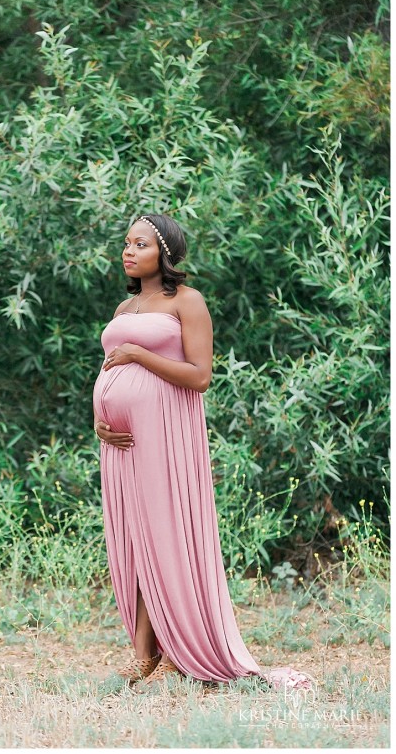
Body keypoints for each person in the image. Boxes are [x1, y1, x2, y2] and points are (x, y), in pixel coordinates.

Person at [92, 214, 313, 691]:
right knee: (132, 542)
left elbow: (199, 376)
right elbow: (109, 367)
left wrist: (136, 355)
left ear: (165, 253)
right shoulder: (124, 306)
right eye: (127, 243)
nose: (129, 251)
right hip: (121, 444)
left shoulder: (187, 301)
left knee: (164, 537)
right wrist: (101, 420)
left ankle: (178, 651)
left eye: (141, 244)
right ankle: (144, 654)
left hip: (165, 435)